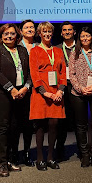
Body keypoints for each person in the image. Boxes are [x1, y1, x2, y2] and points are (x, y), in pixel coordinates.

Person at [0, 23, 32, 177]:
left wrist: (25, 88)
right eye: (5, 34)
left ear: (17, 35)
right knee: (3, 128)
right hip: (2, 94)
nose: (9, 36)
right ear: (0, 36)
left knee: (15, 127)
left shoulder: (22, 50)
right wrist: (11, 89)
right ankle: (1, 163)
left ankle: (11, 159)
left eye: (12, 34)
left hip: (21, 93)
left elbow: (29, 71)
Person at [29, 21, 67, 171]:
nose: (47, 34)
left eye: (49, 32)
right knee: (40, 126)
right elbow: (34, 74)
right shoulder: (35, 51)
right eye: (44, 32)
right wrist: (46, 93)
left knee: (54, 125)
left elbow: (63, 73)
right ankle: (40, 158)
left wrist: (60, 91)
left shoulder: (58, 51)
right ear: (39, 34)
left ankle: (51, 157)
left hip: (57, 93)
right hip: (41, 94)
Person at [69, 27, 92, 169]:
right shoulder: (74, 54)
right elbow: (71, 74)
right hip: (78, 94)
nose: (85, 38)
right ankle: (84, 155)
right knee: (81, 125)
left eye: (87, 36)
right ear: (79, 39)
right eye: (82, 36)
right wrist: (80, 88)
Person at [13, 19, 38, 167]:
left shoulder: (39, 46)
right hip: (19, 88)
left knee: (30, 123)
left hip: (36, 89)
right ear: (21, 31)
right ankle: (14, 153)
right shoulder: (16, 46)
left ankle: (27, 152)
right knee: (16, 122)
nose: (30, 29)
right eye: (26, 27)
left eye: (32, 27)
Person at [55, 21, 77, 161]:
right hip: (61, 87)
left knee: (79, 120)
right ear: (61, 33)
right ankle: (60, 150)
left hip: (77, 87)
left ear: (74, 32)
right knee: (60, 120)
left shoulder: (81, 47)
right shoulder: (56, 49)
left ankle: (82, 149)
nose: (67, 32)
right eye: (65, 30)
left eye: (70, 30)